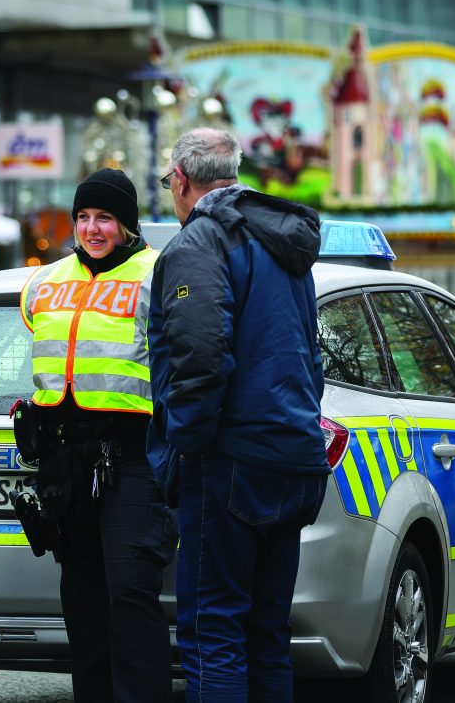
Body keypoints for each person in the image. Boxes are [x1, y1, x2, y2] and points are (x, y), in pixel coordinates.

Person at [147, 127, 329, 701]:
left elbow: (199, 358)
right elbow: (309, 353)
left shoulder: (198, 243)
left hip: (228, 462)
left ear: (180, 180)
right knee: (266, 634)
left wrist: (188, 445)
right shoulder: (280, 240)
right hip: (292, 454)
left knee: (213, 632)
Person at [18, 168, 176, 703]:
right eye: (83, 217)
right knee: (81, 601)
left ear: (127, 225)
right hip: (65, 460)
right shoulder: (44, 281)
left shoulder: (159, 274)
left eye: (104, 217)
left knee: (131, 597)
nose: (91, 229)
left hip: (132, 457)